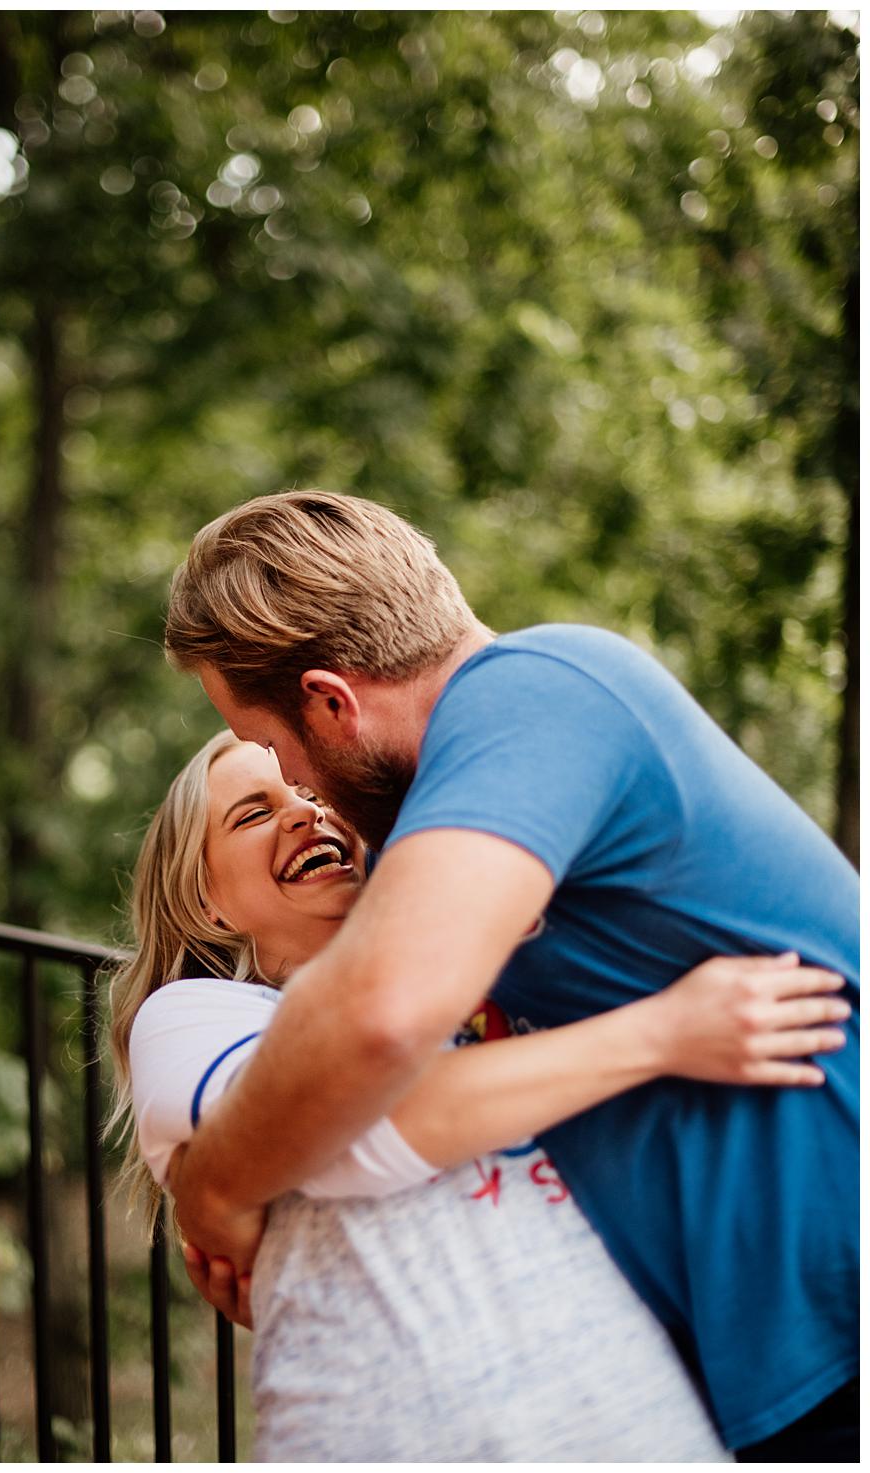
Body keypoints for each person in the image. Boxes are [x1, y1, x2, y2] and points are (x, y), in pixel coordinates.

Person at [159, 489, 859, 1459]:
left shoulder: (534, 692)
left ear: (329, 700)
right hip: (743, 1362)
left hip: (832, 1315)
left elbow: (376, 1018)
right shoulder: (444, 800)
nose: (298, 787)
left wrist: (215, 1189)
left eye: (276, 750)